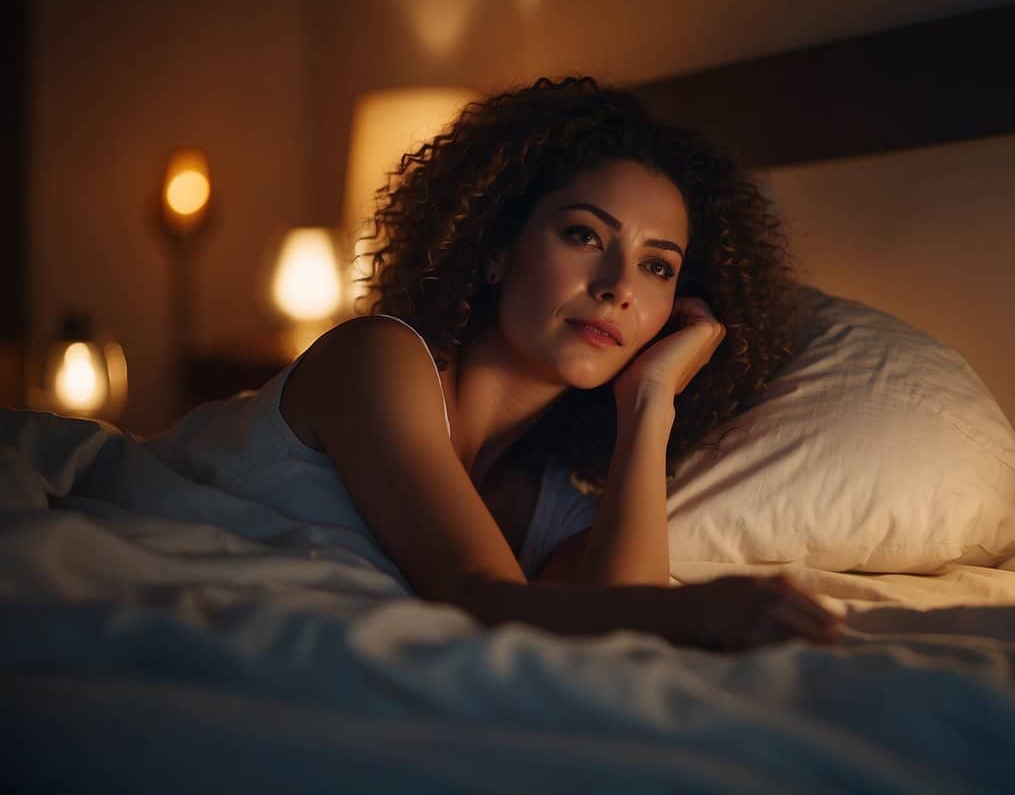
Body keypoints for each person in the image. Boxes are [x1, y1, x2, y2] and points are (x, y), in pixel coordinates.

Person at [278, 76, 841, 650]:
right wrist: (694, 611)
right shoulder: (376, 357)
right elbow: (476, 595)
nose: (620, 287)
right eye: (585, 235)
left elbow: (618, 650)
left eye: (658, 268)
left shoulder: (558, 511)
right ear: (497, 248)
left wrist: (650, 399)